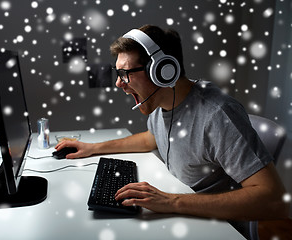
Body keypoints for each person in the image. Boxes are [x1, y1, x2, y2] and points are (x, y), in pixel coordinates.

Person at [55, 24, 289, 238]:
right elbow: (152, 138)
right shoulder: (161, 102)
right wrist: (93, 148)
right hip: (191, 214)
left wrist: (170, 201)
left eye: (126, 73)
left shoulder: (217, 115)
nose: (119, 83)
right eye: (118, 73)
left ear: (163, 70)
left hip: (226, 226)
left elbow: (273, 200)